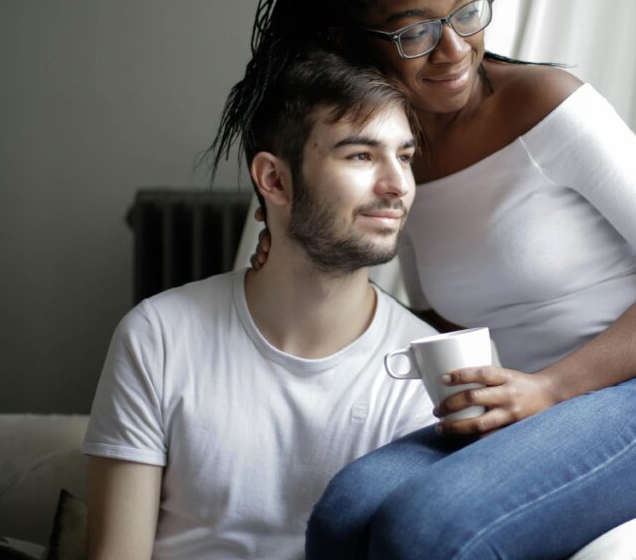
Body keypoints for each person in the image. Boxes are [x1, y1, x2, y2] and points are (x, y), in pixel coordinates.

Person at [234, 0, 636, 558]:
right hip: (527, 404)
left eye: (466, 9)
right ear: (351, 42)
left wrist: (550, 387)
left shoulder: (550, 108)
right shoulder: (396, 151)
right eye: (415, 30)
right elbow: (447, 315)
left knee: (422, 529)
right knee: (344, 514)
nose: (453, 48)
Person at [83, 50, 439, 560]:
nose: (397, 185)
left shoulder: (425, 367)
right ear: (274, 180)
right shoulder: (159, 337)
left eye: (403, 156)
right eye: (360, 155)